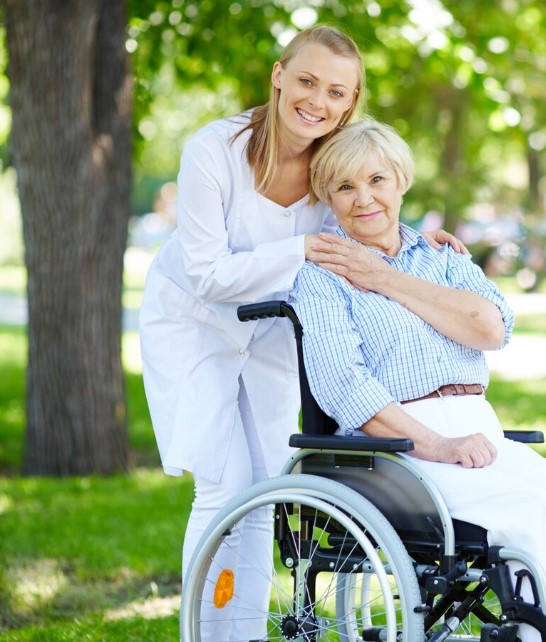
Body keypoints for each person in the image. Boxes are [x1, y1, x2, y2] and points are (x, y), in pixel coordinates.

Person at [138, 25, 463, 639]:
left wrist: (425, 242)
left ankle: (243, 634)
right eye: (307, 81)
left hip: (270, 329)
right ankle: (202, 633)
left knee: (266, 490)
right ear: (279, 76)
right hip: (194, 323)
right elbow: (207, 275)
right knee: (222, 485)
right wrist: (302, 250)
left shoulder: (335, 160)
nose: (318, 101)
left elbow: (370, 211)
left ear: (354, 98)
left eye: (337, 92)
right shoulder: (214, 150)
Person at [289, 118, 546, 642]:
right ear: (328, 195)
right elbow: (343, 385)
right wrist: (436, 444)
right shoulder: (321, 277)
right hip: (396, 450)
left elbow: (490, 328)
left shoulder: (444, 258)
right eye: (345, 186)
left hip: (479, 431)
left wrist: (384, 278)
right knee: (534, 517)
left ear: (401, 182)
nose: (363, 198)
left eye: (376, 180)